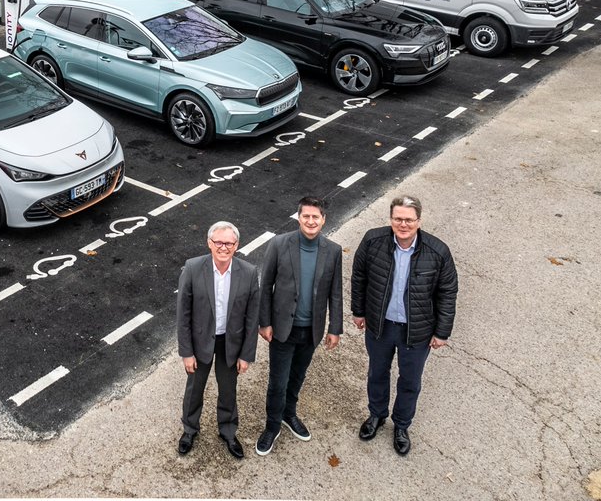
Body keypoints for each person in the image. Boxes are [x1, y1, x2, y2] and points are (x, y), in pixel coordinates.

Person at [352, 194, 458, 456]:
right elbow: (359, 277)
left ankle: (401, 425)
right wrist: (358, 311)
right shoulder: (372, 241)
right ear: (390, 219)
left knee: (410, 380)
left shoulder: (438, 251)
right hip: (380, 325)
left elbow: (447, 292)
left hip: (417, 331)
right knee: (377, 373)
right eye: (398, 219)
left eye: (409, 220)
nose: (403, 224)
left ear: (419, 221)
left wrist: (442, 331)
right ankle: (377, 416)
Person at [254, 196, 343, 456]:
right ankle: (272, 426)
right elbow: (265, 285)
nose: (311, 221)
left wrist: (334, 328)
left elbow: (335, 293)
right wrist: (265, 322)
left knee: (298, 376)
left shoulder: (333, 250)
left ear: (324, 220)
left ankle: (288, 414)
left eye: (316, 217)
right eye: (306, 216)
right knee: (277, 382)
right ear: (298, 217)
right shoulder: (279, 244)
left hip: (311, 330)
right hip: (282, 328)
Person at [176, 221, 261, 459]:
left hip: (229, 343)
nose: (223, 247)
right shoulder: (192, 268)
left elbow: (252, 318)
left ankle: (228, 431)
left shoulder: (249, 272)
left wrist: (246, 355)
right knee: (194, 389)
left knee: (228, 390)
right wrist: (186, 352)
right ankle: (189, 430)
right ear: (209, 243)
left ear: (237, 245)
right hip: (199, 342)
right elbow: (183, 313)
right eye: (218, 242)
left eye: (229, 243)